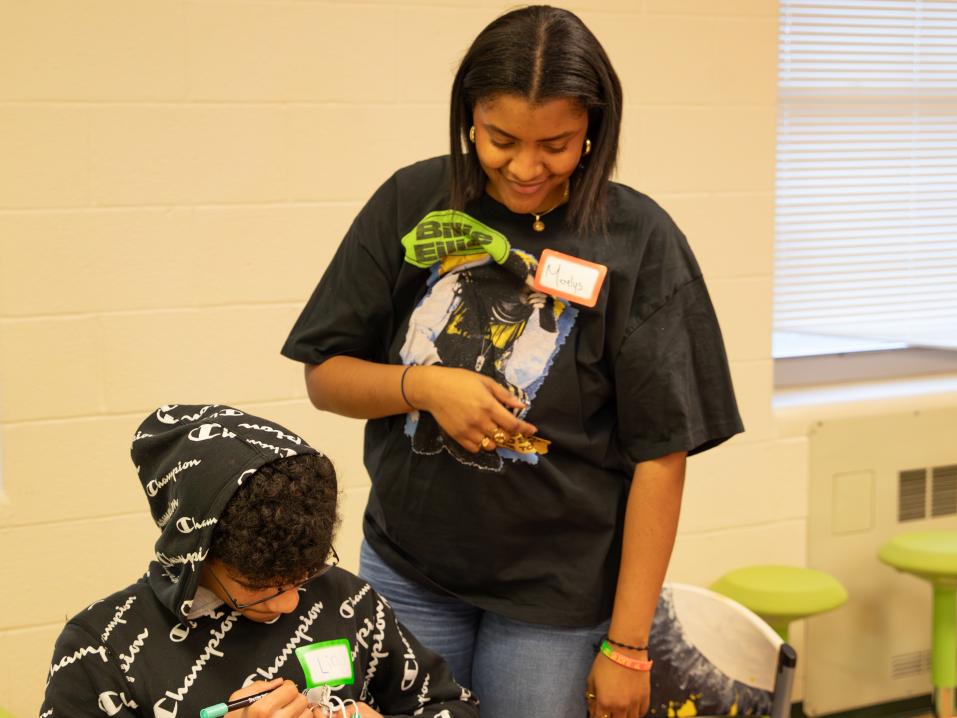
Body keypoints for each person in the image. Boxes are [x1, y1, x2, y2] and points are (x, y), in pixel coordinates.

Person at [281, 6, 743, 718]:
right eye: (501, 140)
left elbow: (662, 453)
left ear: (594, 127)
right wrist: (423, 387)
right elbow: (325, 376)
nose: (525, 167)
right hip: (409, 569)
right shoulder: (413, 201)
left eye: (555, 144)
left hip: (556, 599)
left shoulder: (639, 240)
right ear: (469, 117)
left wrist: (626, 648)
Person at [40, 404, 479, 718]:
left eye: (303, 576)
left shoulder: (347, 600)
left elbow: (452, 705)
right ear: (197, 554)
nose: (289, 604)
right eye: (259, 587)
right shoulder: (101, 648)